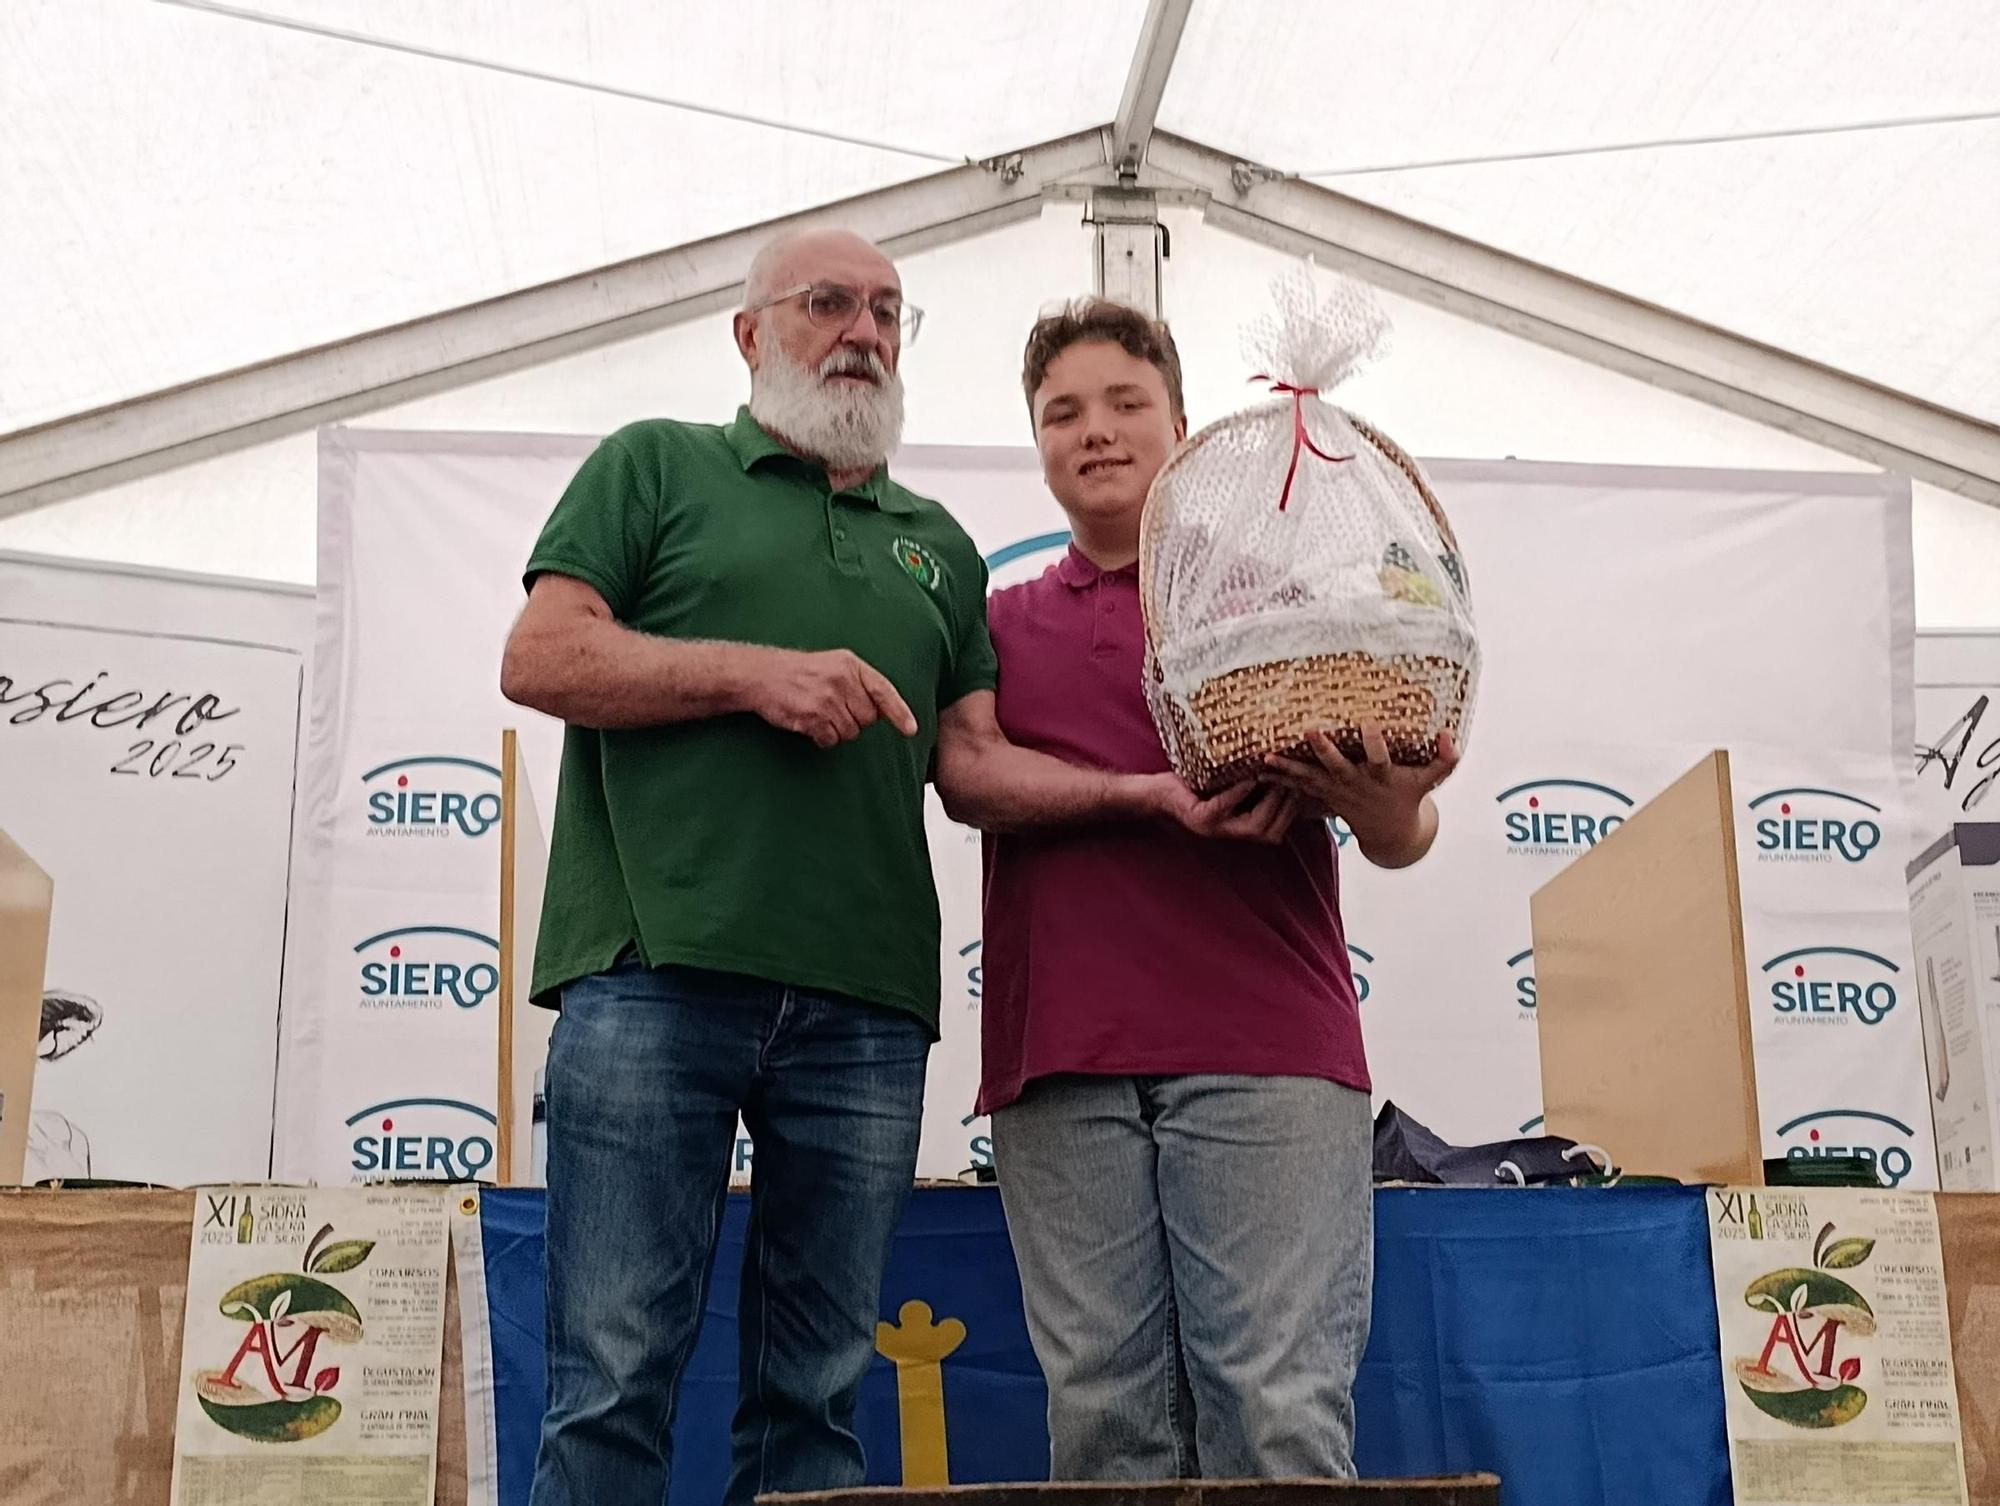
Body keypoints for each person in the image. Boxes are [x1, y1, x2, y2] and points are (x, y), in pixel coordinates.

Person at [499, 228, 994, 1506]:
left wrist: (1169, 794)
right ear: (748, 333)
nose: (863, 332)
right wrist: (753, 674)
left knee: (817, 1400)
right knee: (609, 1387)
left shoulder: (940, 545)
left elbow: (977, 764)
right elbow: (542, 658)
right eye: (827, 302)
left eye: (889, 311)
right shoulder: (654, 466)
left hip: (870, 1008)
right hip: (651, 983)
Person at [956, 299, 1459, 1482]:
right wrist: (1147, 795)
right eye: (1060, 413)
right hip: (1059, 1061)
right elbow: (964, 777)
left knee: (1276, 1413)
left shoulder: (1291, 607)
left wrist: (1384, 800)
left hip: (1266, 1055)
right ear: (1035, 446)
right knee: (1100, 1423)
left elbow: (1402, 831)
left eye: (1124, 403)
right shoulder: (991, 627)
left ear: (1183, 424)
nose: (1095, 431)